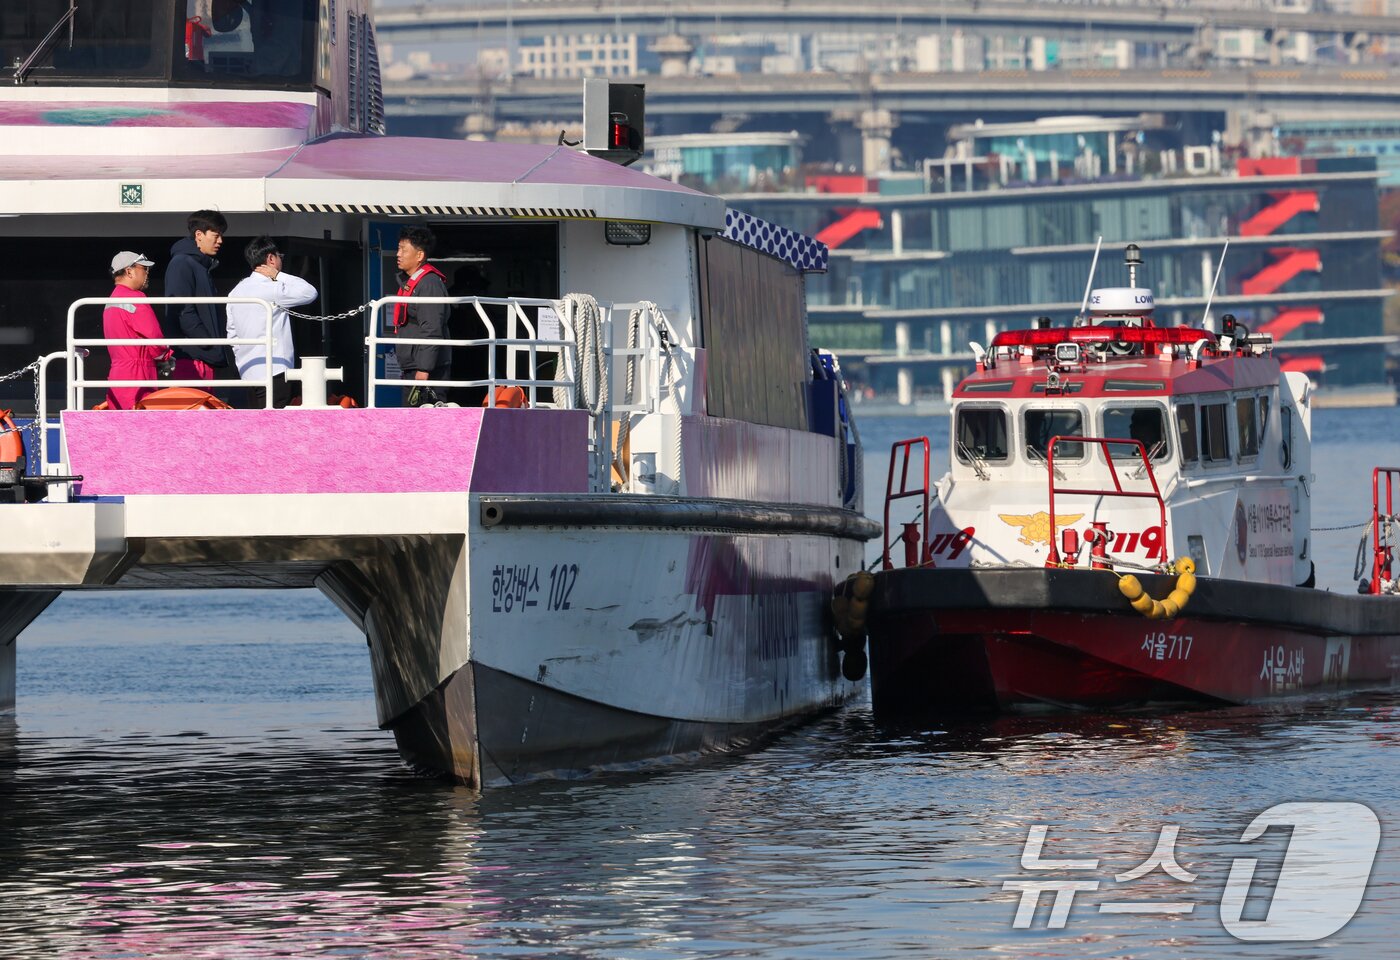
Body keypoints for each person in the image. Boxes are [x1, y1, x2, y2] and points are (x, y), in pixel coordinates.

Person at [226, 236, 317, 409]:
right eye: (279, 255)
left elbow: (232, 333)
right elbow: (309, 293)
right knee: (274, 423)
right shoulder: (273, 288)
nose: (281, 259)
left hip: (248, 369)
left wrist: (242, 359)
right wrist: (279, 275)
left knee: (256, 420)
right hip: (274, 368)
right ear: (271, 259)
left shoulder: (235, 291)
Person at [165, 209, 232, 382]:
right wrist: (207, 342)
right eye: (216, 235)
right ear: (199, 234)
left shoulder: (200, 265)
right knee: (192, 408)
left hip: (201, 357)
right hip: (190, 359)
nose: (220, 241)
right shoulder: (182, 263)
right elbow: (182, 310)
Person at [102, 252, 172, 411]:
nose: (147, 273)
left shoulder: (110, 301)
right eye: (144, 269)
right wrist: (166, 358)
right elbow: (154, 338)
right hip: (139, 374)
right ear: (129, 271)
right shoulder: (136, 297)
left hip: (117, 374)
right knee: (142, 428)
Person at [392, 226, 451, 406]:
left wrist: (424, 369)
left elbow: (432, 327)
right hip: (415, 366)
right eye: (398, 248)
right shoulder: (412, 282)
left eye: (403, 249)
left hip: (427, 369)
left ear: (419, 256)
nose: (398, 254)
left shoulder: (429, 284)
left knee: (424, 420)